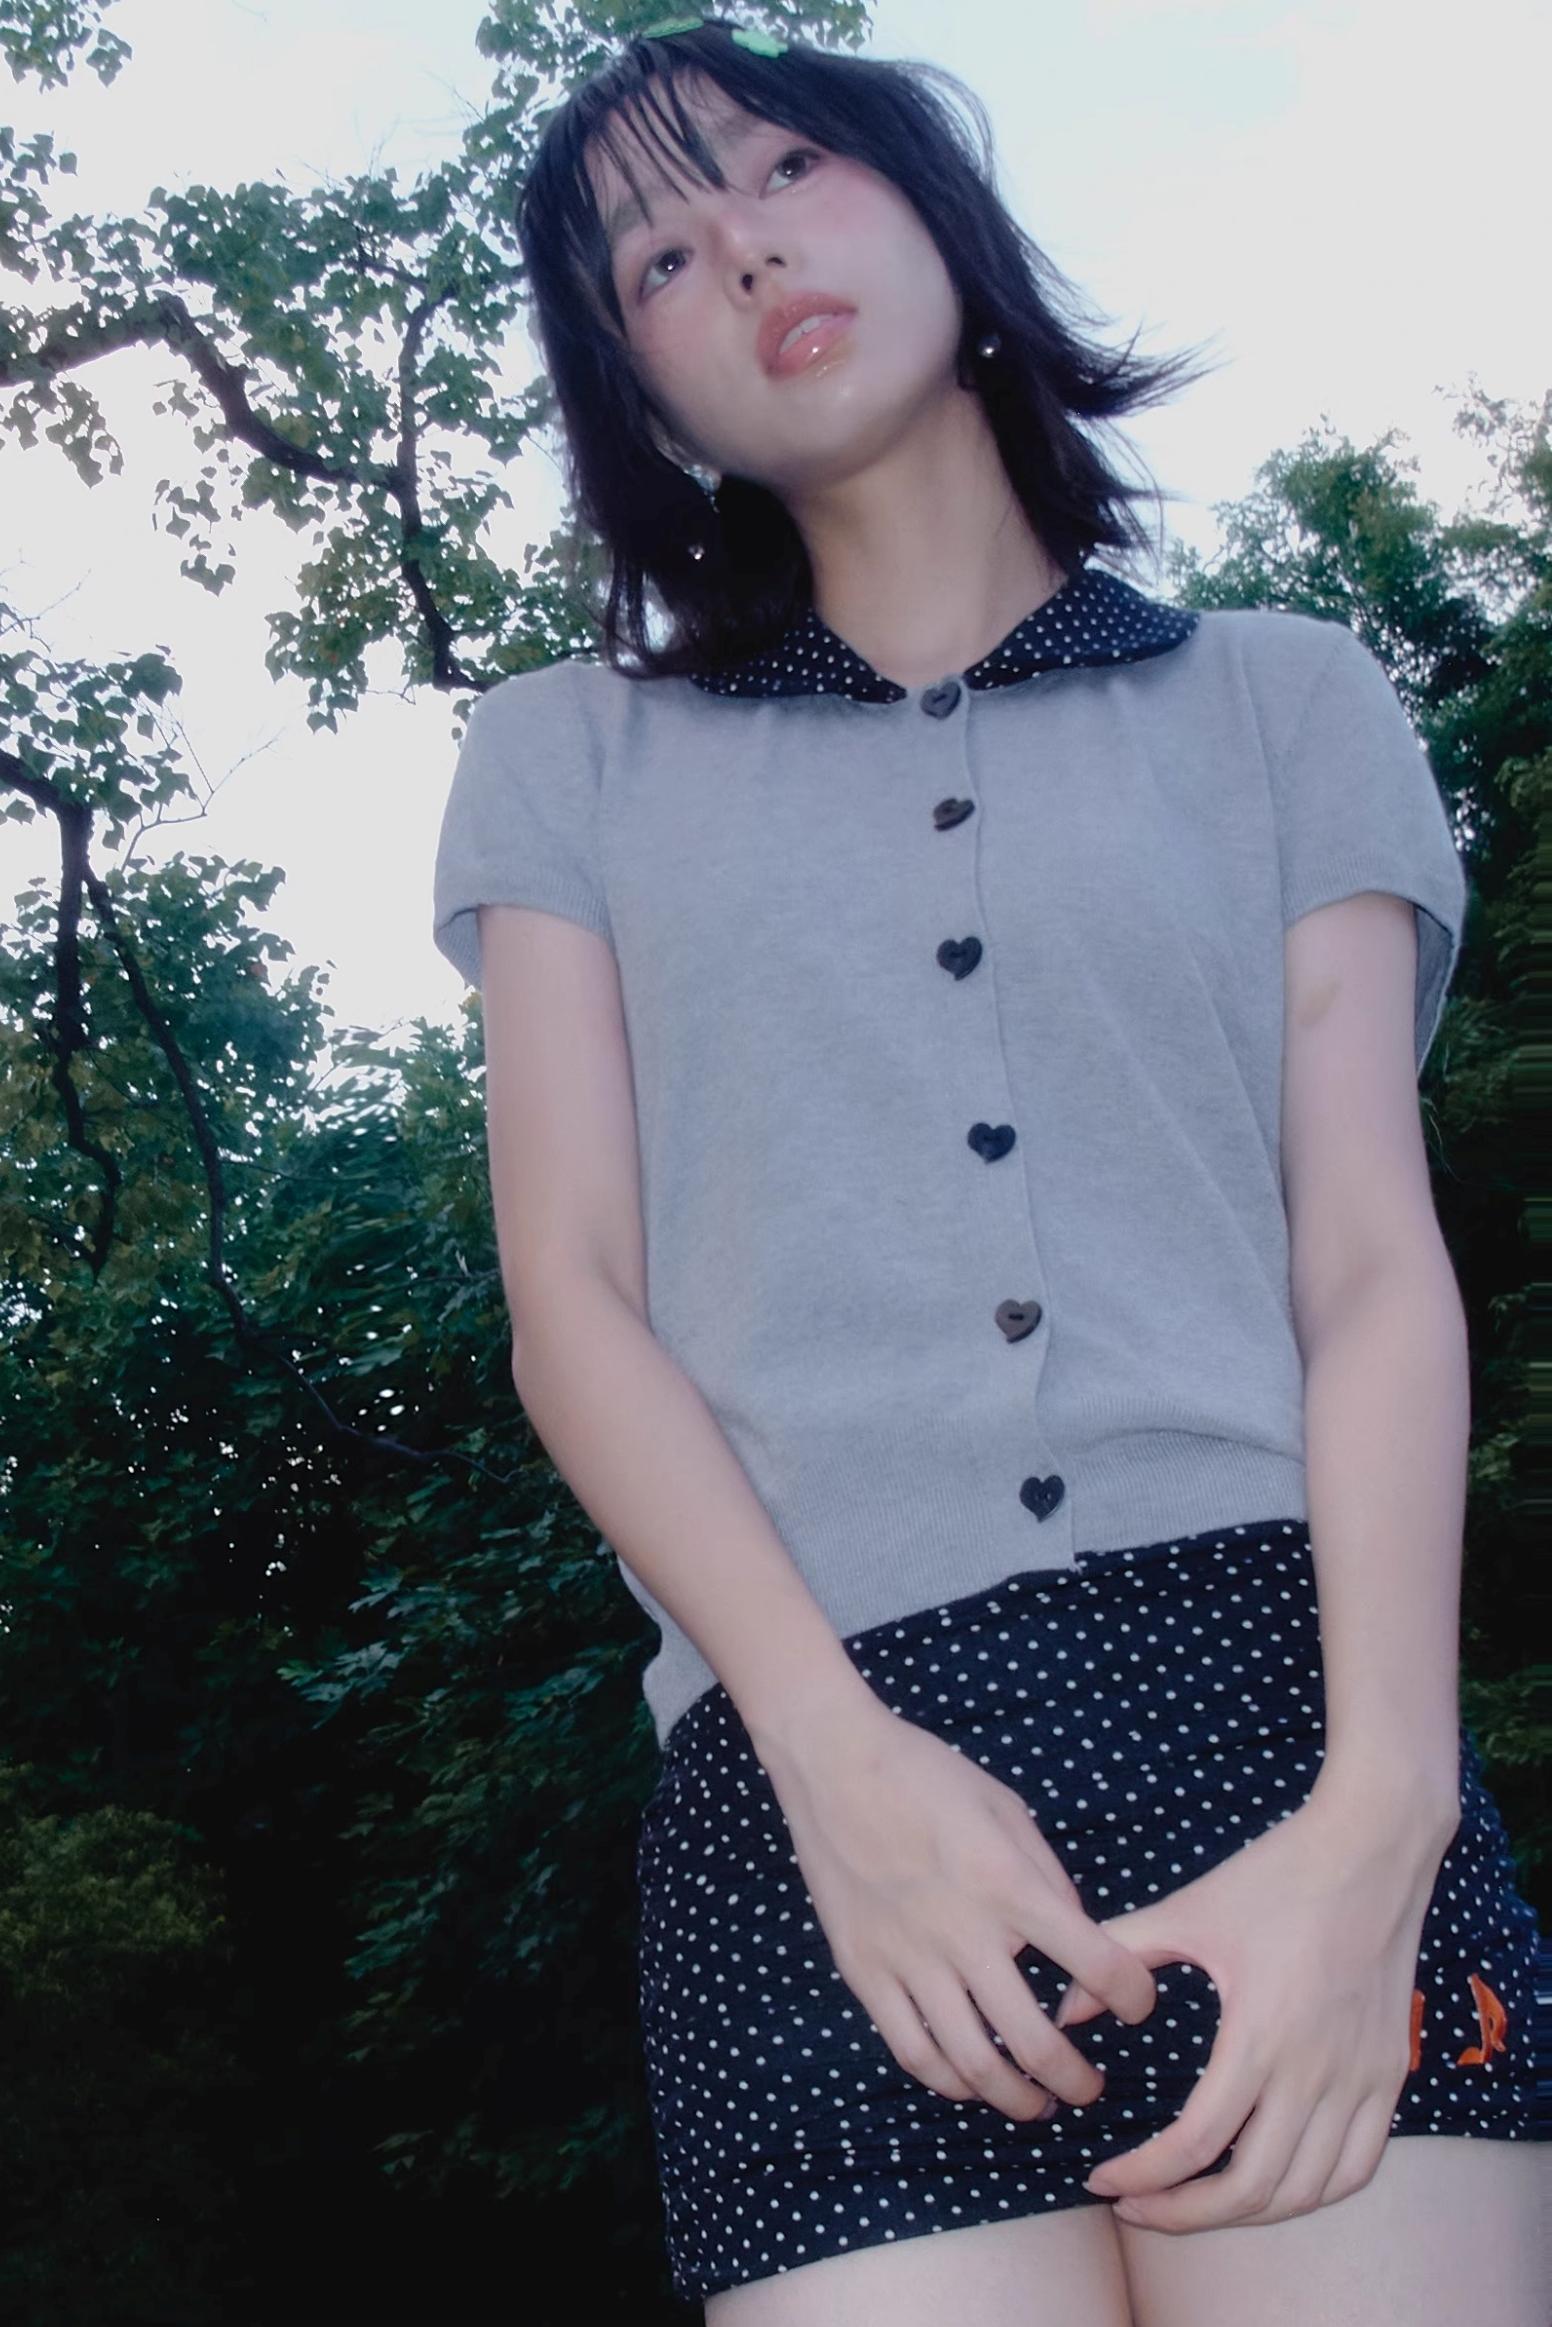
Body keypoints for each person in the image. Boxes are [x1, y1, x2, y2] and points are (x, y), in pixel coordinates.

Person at [431, 16, 1551, 2322]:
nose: (740, 250)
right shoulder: (561, 762)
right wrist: (831, 1769)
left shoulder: (1285, 699)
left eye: (778, 171)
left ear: (932, 212)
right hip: (814, 1795)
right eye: (654, 258)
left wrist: (1379, 1818)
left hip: (1293, 1715)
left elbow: (1366, 1265)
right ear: (643, 400)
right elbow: (575, 1302)